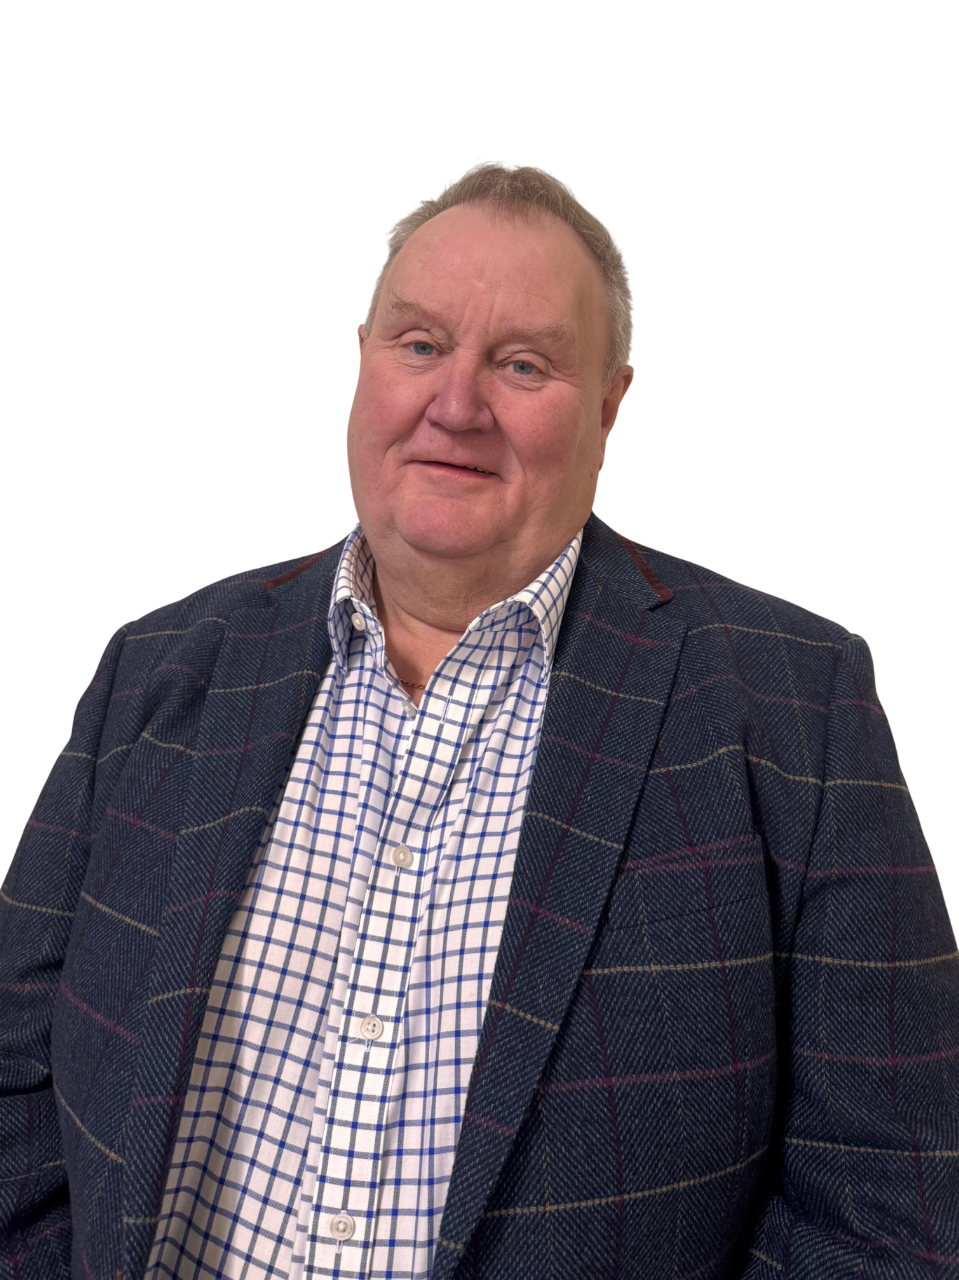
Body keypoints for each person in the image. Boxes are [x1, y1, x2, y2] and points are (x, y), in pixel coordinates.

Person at [2, 159, 955, 1280]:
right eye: (419, 344)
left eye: (522, 363)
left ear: (609, 406)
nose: (454, 405)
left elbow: (883, 1208)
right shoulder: (156, 667)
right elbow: (15, 1092)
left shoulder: (797, 704)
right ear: (361, 358)